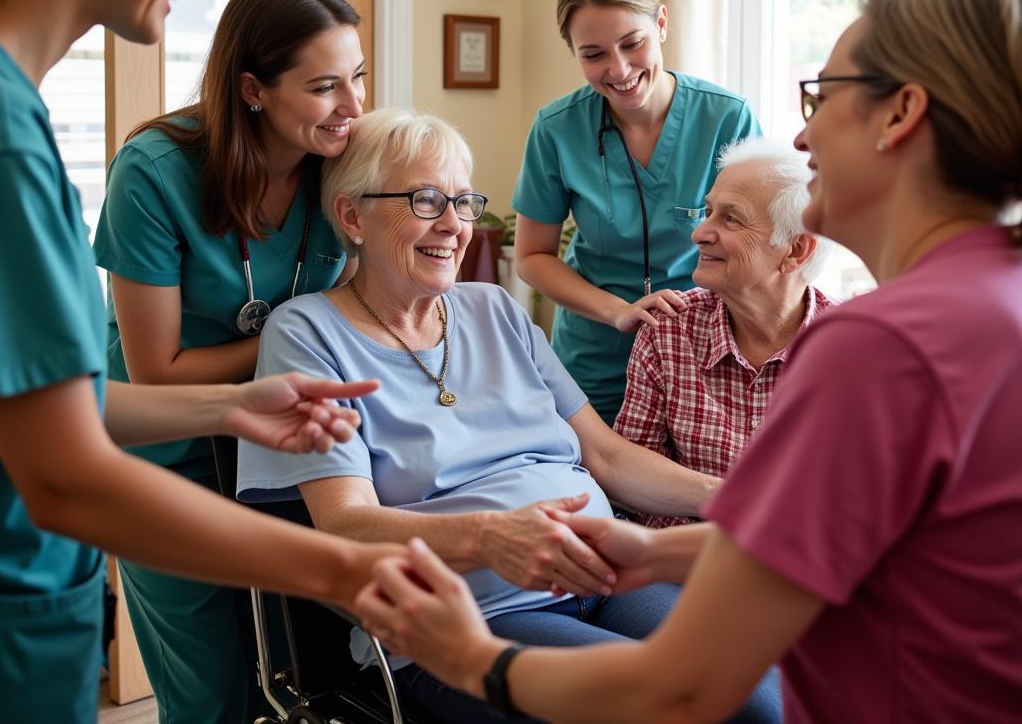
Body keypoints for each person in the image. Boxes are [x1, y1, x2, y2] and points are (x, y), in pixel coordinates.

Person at [355, 0, 1022, 723]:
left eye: (823, 97)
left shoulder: (874, 346)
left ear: (900, 113)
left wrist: (467, 658)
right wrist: (651, 553)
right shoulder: (995, 299)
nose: (801, 133)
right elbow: (839, 553)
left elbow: (682, 689)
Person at [0, 0, 401, 724]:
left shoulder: (21, 114)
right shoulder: (53, 148)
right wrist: (355, 566)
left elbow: (70, 407)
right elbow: (67, 473)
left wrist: (232, 410)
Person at [237, 107, 781, 724]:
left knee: (760, 701)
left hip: (602, 575)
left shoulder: (492, 308)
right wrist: (493, 539)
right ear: (352, 216)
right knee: (663, 705)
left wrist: (735, 498)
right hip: (471, 618)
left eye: (464, 202)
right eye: (424, 200)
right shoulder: (308, 332)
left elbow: (604, 456)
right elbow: (344, 525)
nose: (454, 225)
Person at [92, 0, 367, 723]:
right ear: (253, 89)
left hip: (286, 452)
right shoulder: (154, 172)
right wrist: (295, 340)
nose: (352, 108)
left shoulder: (342, 164)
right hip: (168, 457)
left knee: (300, 681)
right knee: (215, 695)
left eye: (358, 77)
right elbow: (157, 373)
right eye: (324, 87)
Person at [512, 0, 760, 423]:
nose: (619, 69)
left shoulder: (727, 118)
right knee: (599, 488)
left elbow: (758, 240)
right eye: (594, 54)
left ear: (661, 23)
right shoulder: (557, 129)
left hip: (702, 351)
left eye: (632, 43)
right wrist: (618, 311)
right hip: (596, 359)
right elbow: (532, 256)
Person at [616, 135, 835, 527]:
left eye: (731, 218)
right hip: (677, 564)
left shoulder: (853, 352)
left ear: (796, 250)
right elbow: (631, 481)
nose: (699, 233)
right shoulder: (668, 331)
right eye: (709, 211)